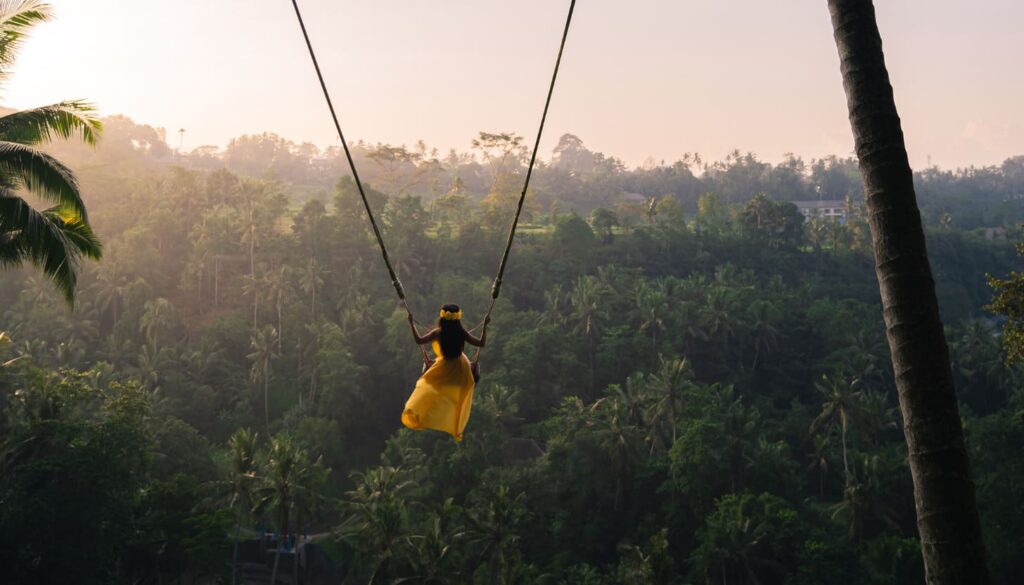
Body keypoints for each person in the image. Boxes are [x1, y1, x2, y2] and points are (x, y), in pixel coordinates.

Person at [403, 304, 489, 441]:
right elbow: (481, 343)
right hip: (461, 370)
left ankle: (423, 410)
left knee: (426, 373)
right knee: (475, 368)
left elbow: (419, 340)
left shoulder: (438, 332)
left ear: (442, 317)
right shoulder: (461, 333)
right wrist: (485, 325)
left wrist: (411, 323)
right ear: (458, 319)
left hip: (443, 367)